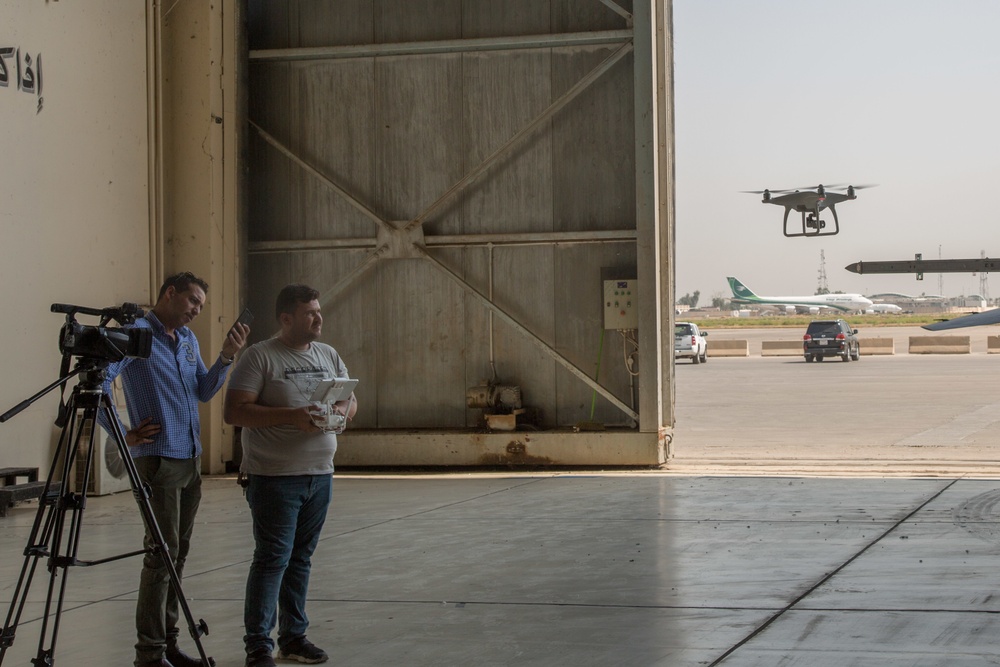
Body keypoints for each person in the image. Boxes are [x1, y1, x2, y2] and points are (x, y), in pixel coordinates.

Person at [99, 271, 249, 667]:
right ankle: (148, 654)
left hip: (190, 459)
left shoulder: (186, 340)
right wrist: (122, 434)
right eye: (193, 302)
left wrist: (226, 358)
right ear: (170, 293)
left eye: (201, 305)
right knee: (160, 556)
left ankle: (168, 645)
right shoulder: (136, 335)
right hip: (159, 461)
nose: (197, 311)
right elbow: (98, 383)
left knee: (176, 555)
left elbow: (202, 390)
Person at [224, 284, 357, 667]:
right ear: (286, 319)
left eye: (318, 311)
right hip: (275, 477)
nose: (318, 318)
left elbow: (351, 398)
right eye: (309, 313)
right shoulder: (259, 357)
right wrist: (292, 416)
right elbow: (235, 412)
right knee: (272, 559)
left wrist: (342, 414)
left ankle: (294, 637)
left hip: (320, 474)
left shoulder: (328, 354)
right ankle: (258, 646)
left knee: (301, 558)